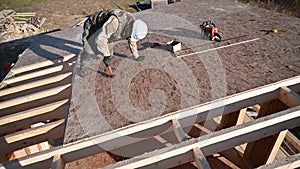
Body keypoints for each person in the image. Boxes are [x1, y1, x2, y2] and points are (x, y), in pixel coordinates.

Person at [81, 9, 148, 77]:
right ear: (130, 27)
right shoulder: (115, 22)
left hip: (107, 30)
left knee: (109, 53)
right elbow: (101, 39)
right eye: (130, 35)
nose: (129, 37)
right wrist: (106, 55)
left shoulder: (133, 25)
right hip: (93, 25)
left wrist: (136, 56)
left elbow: (132, 41)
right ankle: (83, 67)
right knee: (88, 49)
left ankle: (102, 56)